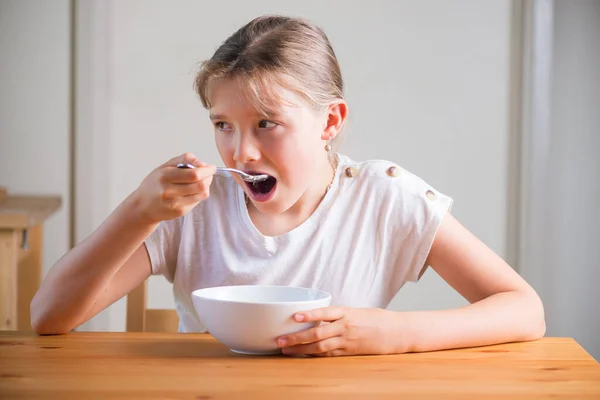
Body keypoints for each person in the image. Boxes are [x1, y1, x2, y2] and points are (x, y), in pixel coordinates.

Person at [31, 15, 545, 357]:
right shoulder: (195, 208)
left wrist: (400, 333)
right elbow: (48, 318)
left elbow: (525, 309)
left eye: (266, 124)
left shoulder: (385, 198)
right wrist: (138, 210)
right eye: (223, 125)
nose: (240, 152)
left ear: (329, 122)